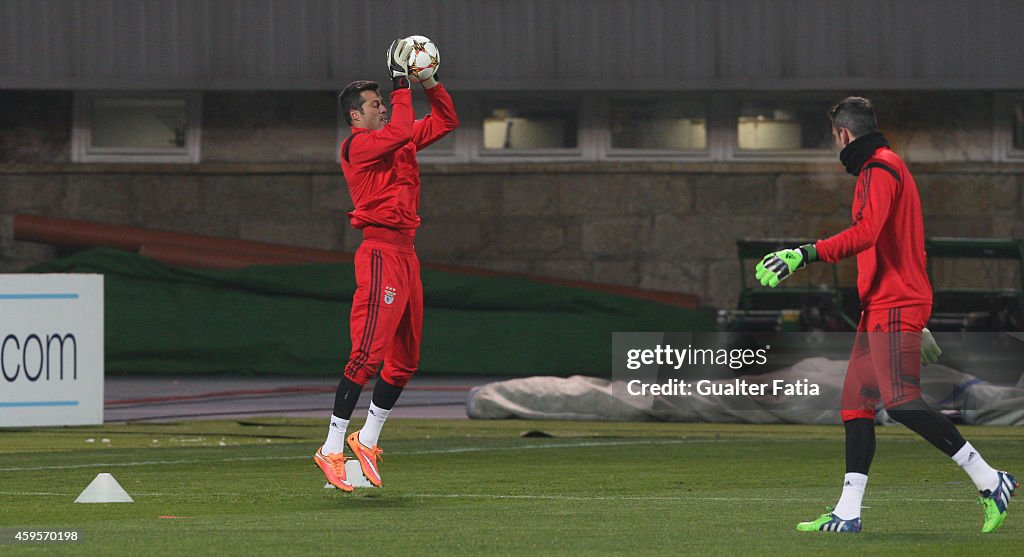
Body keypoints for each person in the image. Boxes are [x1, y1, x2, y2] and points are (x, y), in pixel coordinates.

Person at [754, 96, 1017, 533]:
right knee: (856, 407)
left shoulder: (879, 167)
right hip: (885, 305)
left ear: (842, 134)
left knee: (901, 402)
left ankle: (991, 479)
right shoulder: (888, 166)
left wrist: (804, 254)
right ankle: (847, 513)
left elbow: (866, 233)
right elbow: (902, 242)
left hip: (894, 304)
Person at [314, 37, 458, 491]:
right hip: (378, 253)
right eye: (375, 104)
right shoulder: (356, 147)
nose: (382, 108)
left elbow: (447, 120)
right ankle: (331, 447)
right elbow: (399, 130)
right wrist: (400, 81)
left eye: (383, 102)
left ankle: (367, 439)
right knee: (366, 354)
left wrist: (429, 80)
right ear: (356, 116)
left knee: (406, 358)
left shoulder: (397, 138)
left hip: (406, 254)